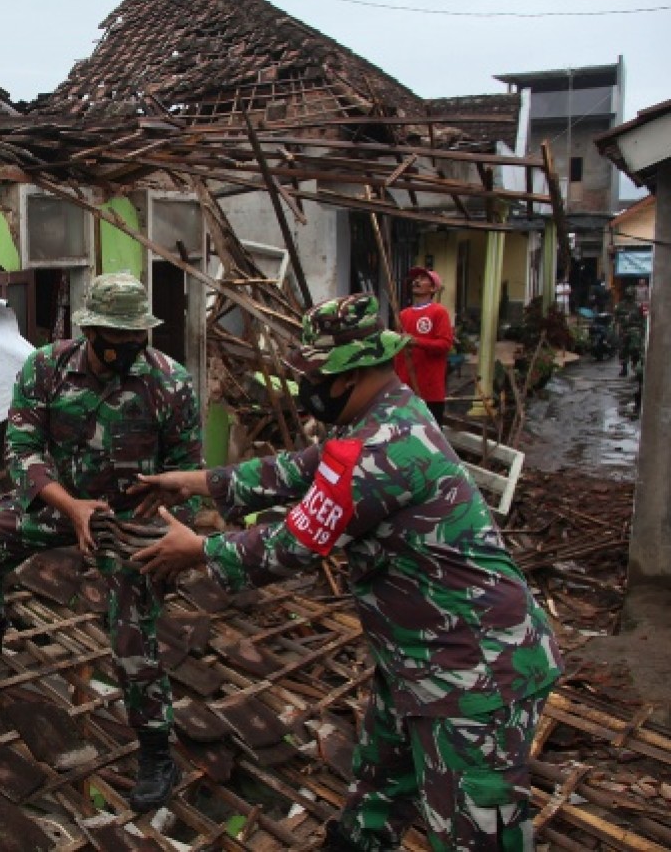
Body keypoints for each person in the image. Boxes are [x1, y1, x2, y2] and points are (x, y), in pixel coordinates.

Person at [129, 293, 562, 851]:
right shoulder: (383, 413)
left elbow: (294, 544)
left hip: (473, 672)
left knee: (475, 835)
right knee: (377, 794)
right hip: (415, 661)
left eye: (313, 374)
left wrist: (203, 550)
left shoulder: (385, 446)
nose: (306, 389)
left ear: (347, 372)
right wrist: (198, 482)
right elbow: (299, 468)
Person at [0, 272, 202, 812]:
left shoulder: (170, 382)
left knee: (131, 627)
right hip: (59, 503)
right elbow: (21, 448)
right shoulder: (45, 368)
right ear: (90, 331)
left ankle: (154, 747)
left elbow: (187, 471)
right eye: (114, 343)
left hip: (128, 516)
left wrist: (172, 523)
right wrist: (68, 505)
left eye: (135, 341)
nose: (125, 354)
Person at [393, 267, 454, 424]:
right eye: (415, 278)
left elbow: (445, 344)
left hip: (429, 389)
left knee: (430, 439)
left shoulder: (438, 312)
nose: (416, 281)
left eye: (423, 278)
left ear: (433, 288)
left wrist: (417, 341)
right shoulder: (403, 315)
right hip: (404, 388)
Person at [616, 285, 645, 378]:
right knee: (623, 350)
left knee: (635, 349)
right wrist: (623, 320)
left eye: (631, 295)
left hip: (635, 330)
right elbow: (616, 316)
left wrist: (642, 329)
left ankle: (636, 368)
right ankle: (624, 368)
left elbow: (643, 318)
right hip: (625, 330)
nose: (630, 297)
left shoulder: (638, 305)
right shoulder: (621, 305)